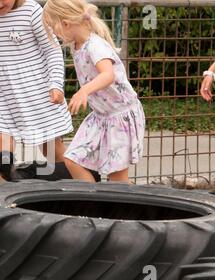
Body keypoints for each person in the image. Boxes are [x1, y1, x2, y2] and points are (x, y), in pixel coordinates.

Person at [0, 0, 88, 182]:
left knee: (52, 150)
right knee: (2, 160)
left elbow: (52, 51)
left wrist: (55, 85)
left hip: (36, 95)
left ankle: (82, 185)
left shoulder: (31, 11)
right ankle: (3, 204)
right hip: (1, 96)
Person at [43, 0, 145, 182]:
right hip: (100, 117)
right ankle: (92, 202)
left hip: (120, 117)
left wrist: (84, 91)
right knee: (72, 159)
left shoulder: (95, 46)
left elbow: (108, 75)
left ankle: (126, 208)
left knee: (117, 179)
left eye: (53, 27)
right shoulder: (78, 45)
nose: (54, 34)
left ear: (65, 23)